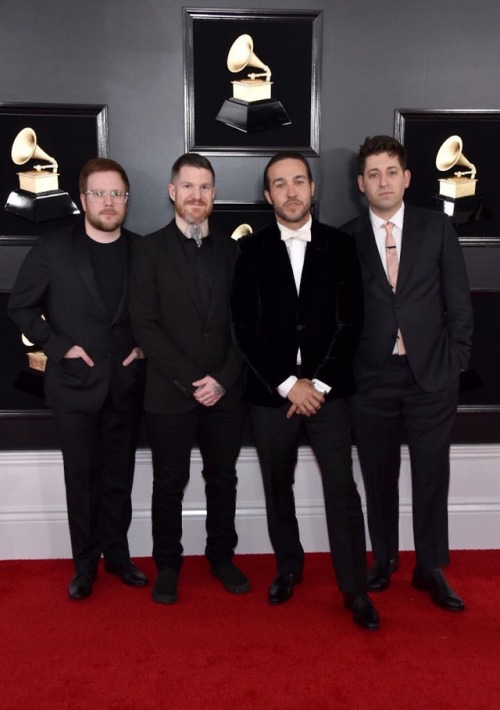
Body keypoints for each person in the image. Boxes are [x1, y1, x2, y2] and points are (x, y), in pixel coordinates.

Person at [230, 150, 379, 630]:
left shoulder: (340, 245)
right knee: (278, 487)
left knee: (342, 490)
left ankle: (355, 589)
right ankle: (288, 568)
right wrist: (287, 383)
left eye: (299, 181)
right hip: (271, 395)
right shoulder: (250, 250)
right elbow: (244, 328)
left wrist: (318, 382)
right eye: (279, 183)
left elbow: (351, 322)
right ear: (267, 194)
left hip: (329, 394)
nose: (290, 191)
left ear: (313, 189)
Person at [342, 135, 473, 611]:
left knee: (432, 473)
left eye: (391, 172)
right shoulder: (345, 237)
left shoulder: (436, 227)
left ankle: (430, 566)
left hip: (431, 376)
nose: (383, 181)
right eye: (373, 174)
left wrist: (456, 358)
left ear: (407, 178)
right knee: (377, 474)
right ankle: (384, 559)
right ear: (361, 183)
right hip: (371, 378)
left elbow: (459, 300)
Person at [8, 158, 148, 600]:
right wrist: (59, 345)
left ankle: (119, 557)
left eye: (117, 194)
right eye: (99, 193)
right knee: (81, 479)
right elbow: (21, 307)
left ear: (126, 201)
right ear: (83, 199)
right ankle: (85, 565)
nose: (109, 202)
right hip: (73, 385)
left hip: (126, 383)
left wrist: (145, 346)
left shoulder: (143, 250)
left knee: (119, 478)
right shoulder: (53, 248)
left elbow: (158, 312)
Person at [129, 153, 248, 604]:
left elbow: (244, 324)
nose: (196, 196)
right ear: (172, 191)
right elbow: (145, 326)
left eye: (205, 188)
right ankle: (168, 565)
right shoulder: (147, 249)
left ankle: (221, 558)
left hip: (226, 392)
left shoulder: (234, 251)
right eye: (188, 187)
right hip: (169, 393)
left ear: (214, 196)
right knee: (169, 482)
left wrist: (221, 379)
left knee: (223, 478)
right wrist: (193, 379)